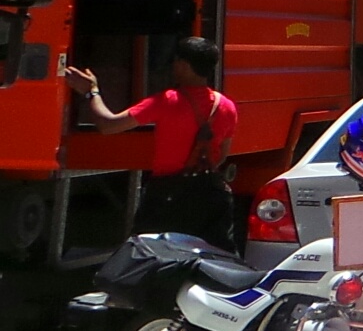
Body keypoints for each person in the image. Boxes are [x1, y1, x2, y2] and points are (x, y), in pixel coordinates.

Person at [62, 36, 239, 247]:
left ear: (184, 65)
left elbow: (108, 125)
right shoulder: (227, 106)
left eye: (176, 61)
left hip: (167, 197)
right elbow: (221, 156)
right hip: (211, 196)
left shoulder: (167, 101)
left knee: (147, 255)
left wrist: (91, 91)